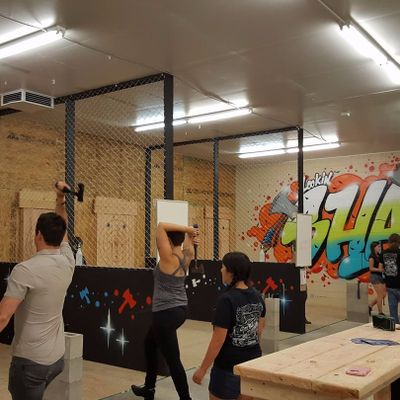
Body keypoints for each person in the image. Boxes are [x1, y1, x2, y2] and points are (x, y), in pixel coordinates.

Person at [0, 181, 75, 400]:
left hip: (30, 363)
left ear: (38, 235)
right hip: (56, 360)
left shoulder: (25, 270)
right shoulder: (68, 261)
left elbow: (3, 316)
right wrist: (60, 199)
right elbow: (64, 230)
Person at [132, 222, 199, 400]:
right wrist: (191, 234)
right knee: (150, 344)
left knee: (173, 361)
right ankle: (149, 388)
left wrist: (188, 230)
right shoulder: (187, 255)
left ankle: (185, 398)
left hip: (165, 313)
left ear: (168, 240)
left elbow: (161, 226)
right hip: (180, 309)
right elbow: (189, 242)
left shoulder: (167, 258)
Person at [193, 252, 266, 400]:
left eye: (223, 267)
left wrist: (203, 369)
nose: (221, 270)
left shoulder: (226, 300)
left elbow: (218, 340)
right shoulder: (257, 296)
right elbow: (259, 330)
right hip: (252, 363)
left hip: (228, 368)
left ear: (231, 272)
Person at [379, 233, 400, 324]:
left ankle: (395, 327)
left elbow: (380, 269)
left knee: (393, 310)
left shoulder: (383, 253)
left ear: (389, 242)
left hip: (390, 285)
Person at [368, 241, 386, 315]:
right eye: (378, 246)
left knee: (383, 294)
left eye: (380, 246)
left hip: (380, 276)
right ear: (374, 248)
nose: (379, 248)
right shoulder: (371, 257)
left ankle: (369, 306)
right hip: (374, 276)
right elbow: (371, 268)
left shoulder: (379, 255)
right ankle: (380, 312)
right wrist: (380, 270)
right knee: (380, 295)